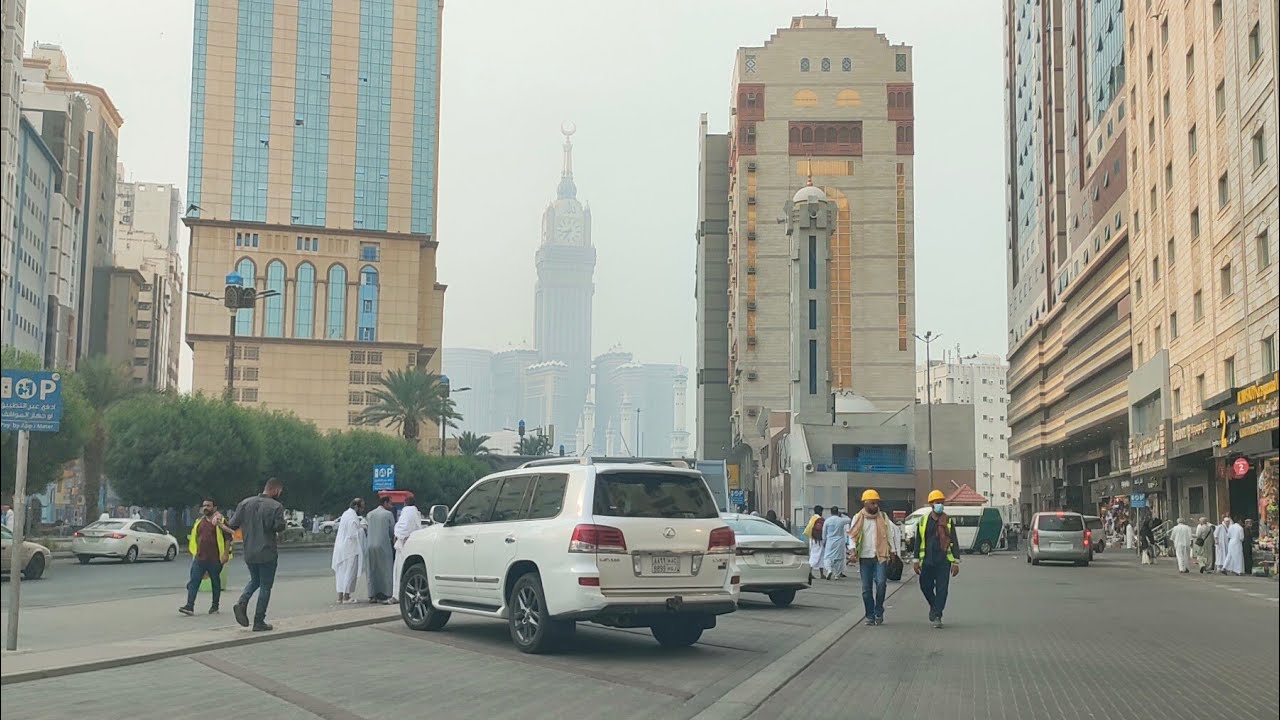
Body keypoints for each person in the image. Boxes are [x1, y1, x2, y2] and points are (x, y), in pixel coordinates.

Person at [227, 478, 287, 632]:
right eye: (279, 492)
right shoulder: (276, 506)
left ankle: (242, 602)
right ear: (275, 490)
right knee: (265, 586)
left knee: (255, 580)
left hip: (249, 551)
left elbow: (232, 524)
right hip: (267, 551)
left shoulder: (245, 503)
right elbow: (279, 527)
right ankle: (259, 621)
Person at [848, 489, 900, 625]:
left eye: (877, 503)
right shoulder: (858, 518)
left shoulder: (883, 517)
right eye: (873, 503)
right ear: (865, 503)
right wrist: (852, 550)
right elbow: (852, 536)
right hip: (865, 558)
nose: (876, 505)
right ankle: (870, 615)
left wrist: (893, 551)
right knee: (866, 589)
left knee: (881, 584)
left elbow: (889, 535)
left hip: (880, 556)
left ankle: (878, 610)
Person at [910, 490, 961, 629]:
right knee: (925, 586)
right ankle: (934, 606)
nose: (940, 505)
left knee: (942, 589)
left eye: (942, 502)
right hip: (927, 560)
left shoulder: (948, 521)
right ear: (931, 504)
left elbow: (954, 541)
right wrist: (915, 561)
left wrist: (956, 562)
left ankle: (937, 615)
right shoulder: (923, 521)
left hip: (943, 560)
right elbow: (918, 541)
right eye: (938, 502)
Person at [180, 498, 233, 616]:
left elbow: (228, 538)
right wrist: (194, 552)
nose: (205, 508)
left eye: (208, 506)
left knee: (215, 582)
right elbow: (195, 538)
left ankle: (215, 606)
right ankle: (189, 606)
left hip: (215, 558)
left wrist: (225, 553)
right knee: (194, 581)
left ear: (214, 508)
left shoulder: (220, 521)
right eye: (204, 506)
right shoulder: (199, 522)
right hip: (200, 558)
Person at [332, 498, 366, 603]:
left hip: (341, 547)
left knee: (341, 573)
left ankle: (340, 597)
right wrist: (363, 529)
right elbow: (353, 534)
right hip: (350, 548)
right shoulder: (352, 516)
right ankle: (346, 597)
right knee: (350, 572)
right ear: (356, 507)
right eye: (362, 507)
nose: (363, 509)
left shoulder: (345, 514)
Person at [391, 495, 423, 602]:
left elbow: (401, 528)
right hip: (413, 543)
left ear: (405, 503)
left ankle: (397, 594)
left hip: (402, 544)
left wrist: (397, 536)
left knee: (398, 570)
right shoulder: (416, 513)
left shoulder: (406, 512)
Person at [365, 496, 396, 603]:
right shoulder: (388, 514)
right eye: (390, 503)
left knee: (372, 570)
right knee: (386, 570)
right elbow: (392, 531)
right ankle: (386, 593)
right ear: (385, 503)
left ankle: (372, 595)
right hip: (383, 545)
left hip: (370, 545)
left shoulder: (370, 514)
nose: (391, 506)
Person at [821, 506, 852, 580]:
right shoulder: (841, 520)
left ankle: (829, 570)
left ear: (830, 512)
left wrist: (824, 541)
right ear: (837, 512)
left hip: (830, 541)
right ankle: (836, 575)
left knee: (827, 557)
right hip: (839, 542)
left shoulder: (827, 521)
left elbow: (824, 532)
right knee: (839, 558)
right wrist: (842, 515)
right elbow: (849, 520)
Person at [803, 505, 826, 579]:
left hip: (812, 539)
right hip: (818, 540)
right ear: (820, 511)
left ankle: (820, 574)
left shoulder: (812, 518)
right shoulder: (820, 519)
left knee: (818, 555)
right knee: (816, 556)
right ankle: (809, 572)